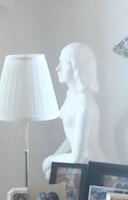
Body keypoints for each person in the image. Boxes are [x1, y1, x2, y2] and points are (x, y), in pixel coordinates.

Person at [43, 42, 106, 177]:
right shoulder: (72, 97)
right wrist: (55, 157)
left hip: (91, 166)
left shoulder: (84, 106)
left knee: (48, 168)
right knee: (49, 172)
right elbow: (70, 138)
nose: (57, 68)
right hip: (81, 161)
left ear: (77, 67)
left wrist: (49, 161)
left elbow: (79, 156)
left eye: (63, 63)